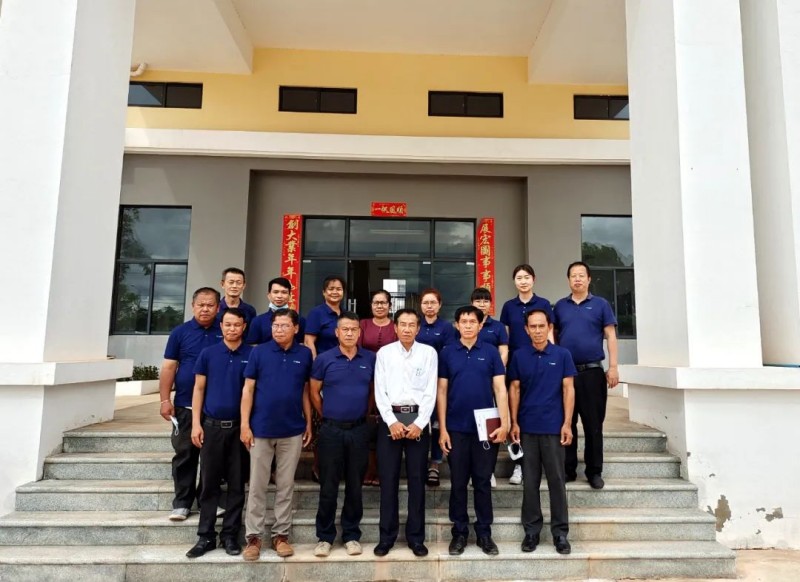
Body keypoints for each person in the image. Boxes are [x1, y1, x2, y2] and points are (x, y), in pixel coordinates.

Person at [240, 308, 313, 561]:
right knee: (257, 485)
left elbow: (305, 391)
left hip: (292, 430)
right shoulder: (258, 352)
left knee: (285, 484)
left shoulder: (304, 354)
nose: (278, 330)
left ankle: (281, 535)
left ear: (296, 328)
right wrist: (245, 424)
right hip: (260, 430)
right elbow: (248, 390)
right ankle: (253, 537)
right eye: (275, 326)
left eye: (284, 325)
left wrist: (308, 422)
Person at [438, 305, 509, 556]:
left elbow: (500, 389)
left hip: (485, 429)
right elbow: (442, 391)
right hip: (456, 428)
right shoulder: (447, 353)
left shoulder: (490, 353)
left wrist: (505, 423)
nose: (468, 325)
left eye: (472, 322)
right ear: (456, 325)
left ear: (480, 325)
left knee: (482, 481)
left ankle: (484, 533)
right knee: (458, 482)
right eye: (463, 321)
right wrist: (442, 429)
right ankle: (459, 533)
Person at [509, 309, 576, 556]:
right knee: (530, 482)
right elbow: (514, 390)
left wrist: (567, 423)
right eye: (533, 327)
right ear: (526, 329)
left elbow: (568, 389)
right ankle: (531, 532)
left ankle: (560, 533)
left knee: (557, 481)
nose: (537, 331)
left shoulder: (562, 355)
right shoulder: (519, 355)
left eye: (541, 326)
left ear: (549, 327)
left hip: (553, 428)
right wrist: (514, 422)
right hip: (527, 428)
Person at [186, 307, 252, 558]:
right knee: (209, 484)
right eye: (227, 324)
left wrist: (247, 426)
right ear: (221, 326)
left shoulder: (252, 355)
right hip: (211, 427)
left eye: (237, 325)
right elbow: (198, 389)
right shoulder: (208, 353)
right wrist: (196, 423)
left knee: (236, 484)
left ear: (244, 327)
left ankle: (230, 536)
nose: (232, 329)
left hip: (239, 430)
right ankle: (205, 536)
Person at [309, 312, 376, 558]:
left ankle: (351, 535)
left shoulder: (370, 358)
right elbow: (314, 392)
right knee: (328, 485)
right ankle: (325, 537)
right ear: (337, 333)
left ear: (360, 333)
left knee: (355, 485)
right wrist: (327, 414)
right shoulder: (324, 359)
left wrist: (364, 414)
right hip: (331, 430)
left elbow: (372, 391)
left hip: (359, 429)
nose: (349, 333)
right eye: (345, 329)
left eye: (353, 329)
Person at [373, 308, 437, 558]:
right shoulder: (384, 353)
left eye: (412, 325)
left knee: (417, 481)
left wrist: (420, 423)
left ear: (418, 329)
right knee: (388, 480)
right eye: (403, 324)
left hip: (417, 420)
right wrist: (391, 421)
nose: (407, 329)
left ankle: (416, 538)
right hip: (391, 420)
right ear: (395, 327)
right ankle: (386, 537)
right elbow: (380, 390)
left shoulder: (428, 353)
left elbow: (431, 391)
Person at [158, 287, 223, 521]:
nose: (205, 309)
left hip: (215, 406)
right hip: (185, 404)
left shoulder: (225, 330)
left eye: (210, 305)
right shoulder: (180, 332)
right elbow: (169, 367)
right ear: (193, 306)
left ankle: (208, 501)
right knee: (185, 454)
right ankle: (182, 502)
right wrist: (165, 399)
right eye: (200, 305)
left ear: (218, 307)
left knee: (213, 457)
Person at [553, 261, 618, 490]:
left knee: (593, 425)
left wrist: (613, 367)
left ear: (589, 279)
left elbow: (611, 336)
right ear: (568, 280)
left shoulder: (601, 305)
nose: (577, 279)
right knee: (567, 421)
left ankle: (594, 471)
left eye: (581, 275)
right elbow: (554, 336)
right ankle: (568, 469)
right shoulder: (560, 306)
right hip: (566, 374)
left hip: (592, 372)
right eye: (573, 275)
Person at [500, 264, 553, 485]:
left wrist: (552, 358)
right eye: (519, 278)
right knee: (515, 414)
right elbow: (505, 337)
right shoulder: (508, 306)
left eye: (526, 277)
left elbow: (550, 333)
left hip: (540, 362)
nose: (523, 281)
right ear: (514, 281)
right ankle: (519, 465)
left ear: (534, 279)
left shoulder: (543, 304)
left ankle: (541, 463)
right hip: (517, 364)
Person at [358, 289, 398, 487]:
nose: (380, 306)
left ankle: (383, 470)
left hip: (390, 381)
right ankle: (369, 468)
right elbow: (357, 349)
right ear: (371, 305)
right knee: (367, 423)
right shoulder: (363, 324)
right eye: (376, 302)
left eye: (383, 303)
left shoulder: (395, 326)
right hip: (365, 378)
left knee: (384, 424)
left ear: (390, 306)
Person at [416, 288, 455, 487]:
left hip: (440, 379)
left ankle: (435, 463)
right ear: (420, 305)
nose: (429, 306)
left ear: (439, 305)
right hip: (418, 381)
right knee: (420, 420)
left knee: (438, 422)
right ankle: (418, 461)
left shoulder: (447, 327)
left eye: (433, 302)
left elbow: (448, 354)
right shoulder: (416, 325)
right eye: (426, 303)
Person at [246, 277, 306, 345]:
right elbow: (252, 346)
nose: (279, 296)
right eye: (275, 292)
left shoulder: (299, 320)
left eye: (284, 292)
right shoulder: (258, 321)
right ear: (269, 295)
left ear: (289, 296)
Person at [304, 276, 345, 359]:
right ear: (324, 292)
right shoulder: (316, 313)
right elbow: (308, 342)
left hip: (344, 361)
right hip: (324, 362)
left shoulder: (345, 314)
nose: (335, 292)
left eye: (339, 289)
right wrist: (316, 362)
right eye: (331, 289)